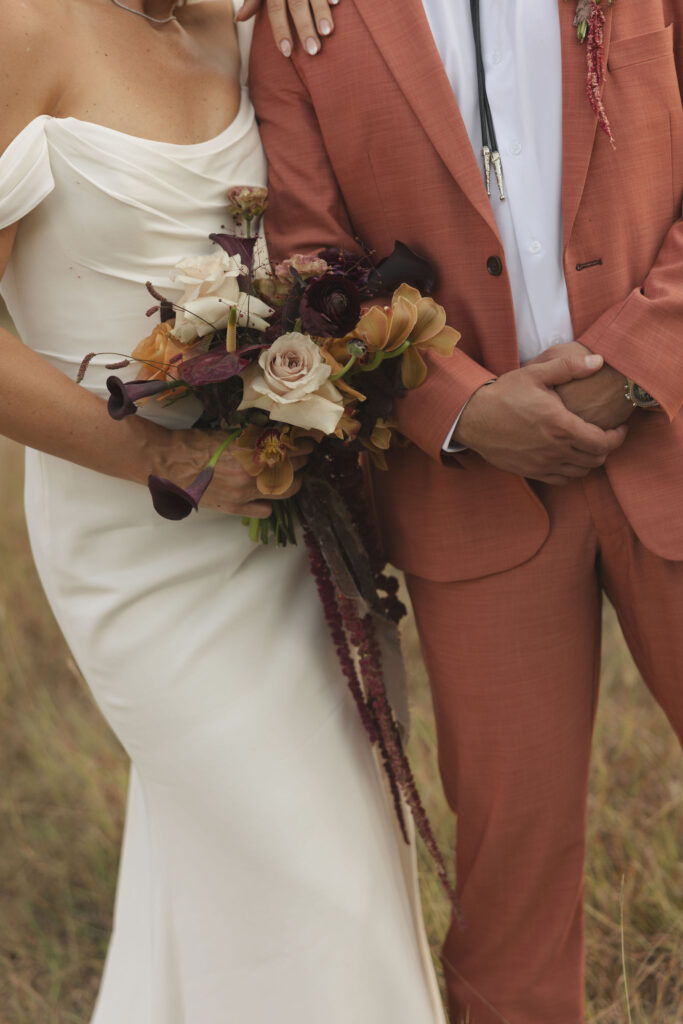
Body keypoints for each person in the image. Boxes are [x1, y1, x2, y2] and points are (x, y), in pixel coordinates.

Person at [0, 1, 447, 1020]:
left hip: (292, 521)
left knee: (291, 861)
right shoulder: (24, 30)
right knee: (308, 874)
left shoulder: (238, 21)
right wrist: (167, 454)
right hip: (140, 542)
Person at [249, 1, 683, 1021]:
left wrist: (627, 368)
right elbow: (312, 256)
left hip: (667, 431)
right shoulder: (302, 24)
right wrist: (462, 407)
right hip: (470, 496)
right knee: (507, 880)